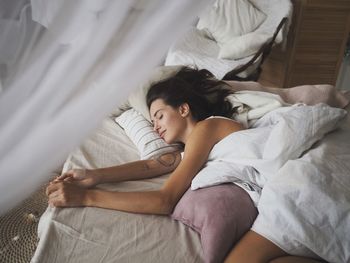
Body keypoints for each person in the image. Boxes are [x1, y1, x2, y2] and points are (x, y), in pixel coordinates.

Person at [46, 66, 323, 263]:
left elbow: (165, 200)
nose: (154, 127)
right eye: (152, 121)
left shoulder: (207, 128)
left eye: (159, 116)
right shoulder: (191, 148)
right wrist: (92, 175)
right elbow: (152, 166)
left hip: (294, 184)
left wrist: (86, 197)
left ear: (183, 109)